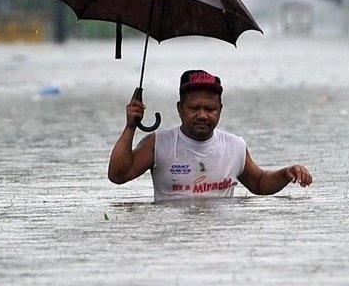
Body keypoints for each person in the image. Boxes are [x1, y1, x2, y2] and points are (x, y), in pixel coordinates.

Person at [109, 69, 312, 202]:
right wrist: (130, 126)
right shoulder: (158, 143)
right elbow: (118, 175)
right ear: (179, 108)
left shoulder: (235, 146)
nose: (202, 115)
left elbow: (258, 183)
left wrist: (286, 173)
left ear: (220, 109)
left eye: (210, 109)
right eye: (194, 108)